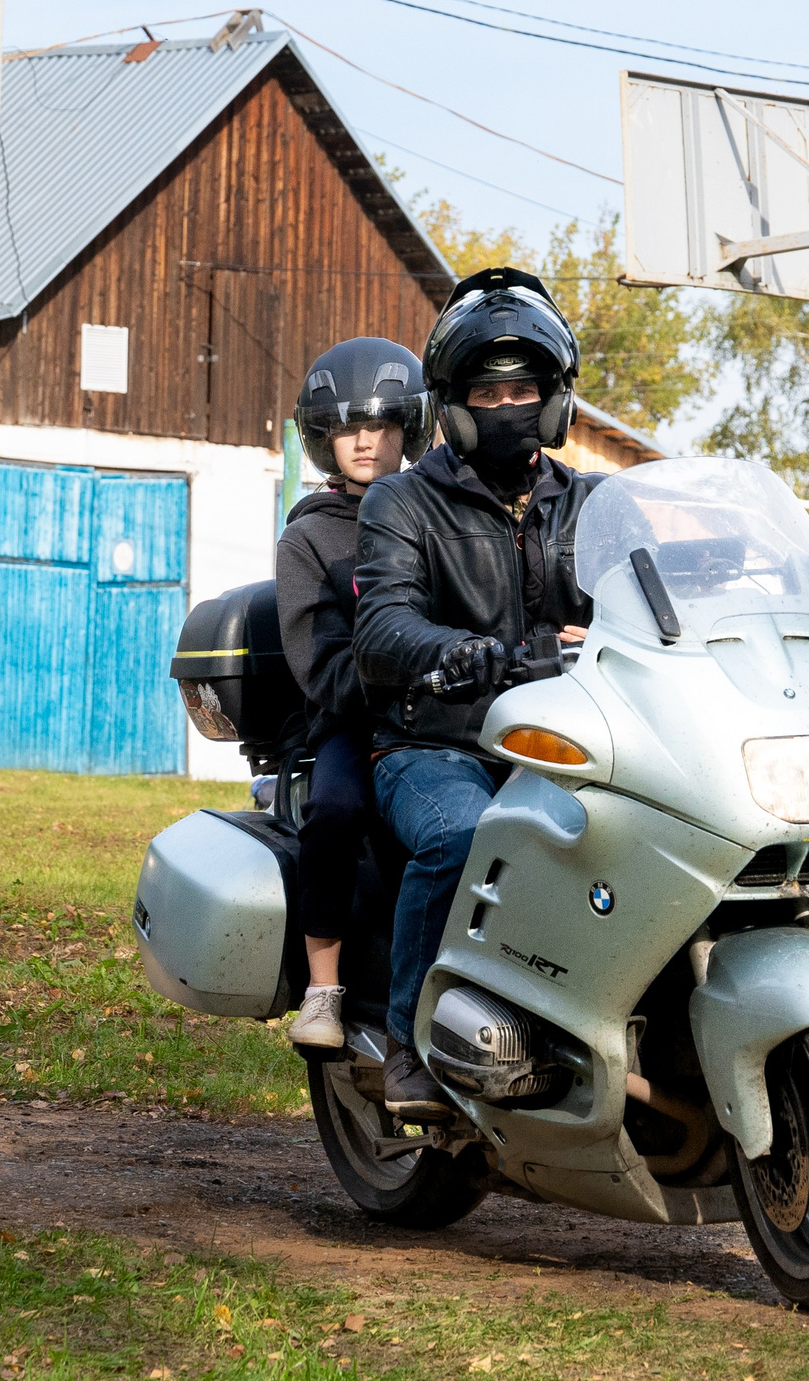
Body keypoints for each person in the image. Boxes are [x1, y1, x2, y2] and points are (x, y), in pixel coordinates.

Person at [352, 267, 601, 1119]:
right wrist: (476, 652)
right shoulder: (402, 502)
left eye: (524, 387)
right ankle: (408, 1042)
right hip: (436, 744)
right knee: (463, 837)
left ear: (557, 400)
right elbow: (380, 630)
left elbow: (666, 596)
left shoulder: (595, 504)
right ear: (452, 406)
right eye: (487, 391)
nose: (507, 405)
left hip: (566, 745)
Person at [275, 338, 428, 1052]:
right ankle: (324, 988)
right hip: (349, 719)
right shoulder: (310, 539)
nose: (366, 440)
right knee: (335, 808)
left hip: (442, 715)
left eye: (382, 424)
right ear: (323, 438)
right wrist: (405, 665)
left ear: (411, 429)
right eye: (347, 428)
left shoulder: (440, 515)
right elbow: (321, 665)